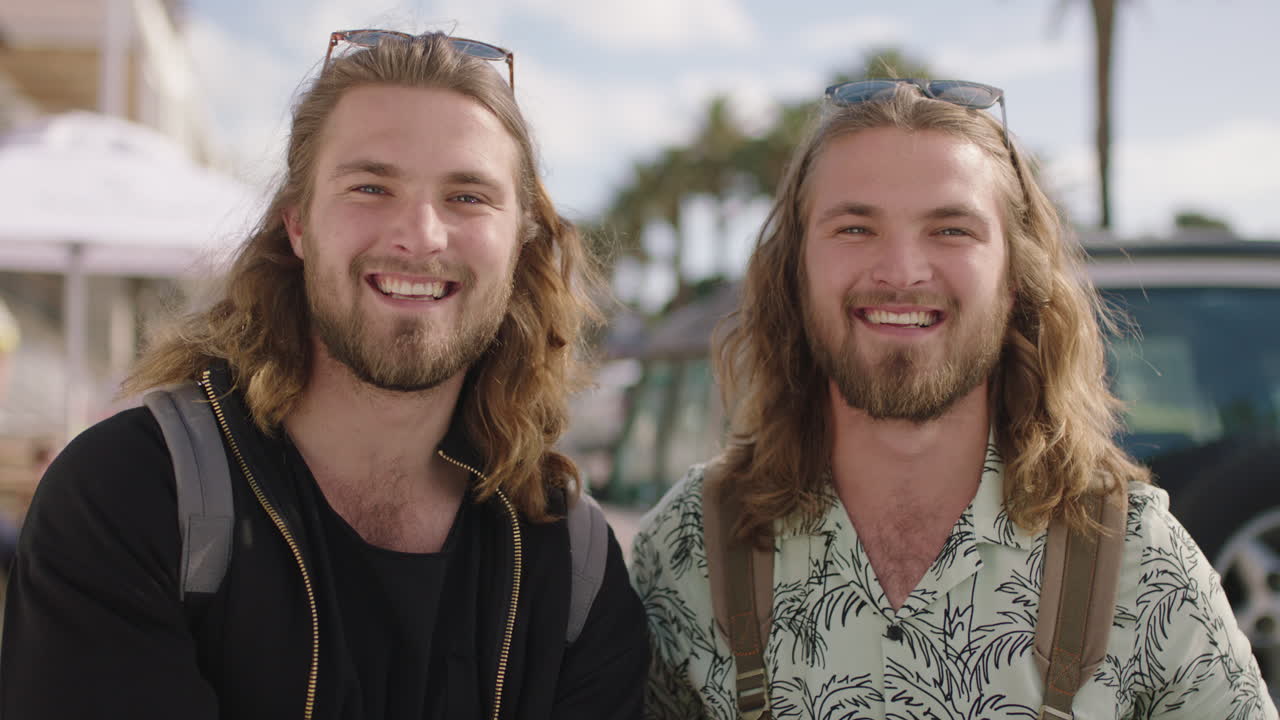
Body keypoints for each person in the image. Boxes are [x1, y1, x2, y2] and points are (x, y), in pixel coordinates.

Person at [1, 31, 647, 719]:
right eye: (371, 186)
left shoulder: (568, 562)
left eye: (467, 197)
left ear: (520, 241)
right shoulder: (132, 495)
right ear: (298, 224)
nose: (420, 235)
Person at [631, 79, 1276, 718]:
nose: (902, 271)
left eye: (950, 230)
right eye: (855, 228)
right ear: (794, 272)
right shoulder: (690, 545)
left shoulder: (1137, 558)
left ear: (1016, 279)